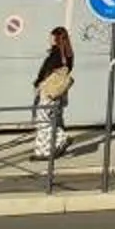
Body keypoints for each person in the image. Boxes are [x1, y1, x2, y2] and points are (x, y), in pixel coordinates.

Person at [30, 28, 73, 162]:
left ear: (56, 38)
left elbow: (45, 72)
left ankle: (59, 140)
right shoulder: (68, 54)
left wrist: (38, 84)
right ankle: (46, 150)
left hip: (49, 91)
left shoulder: (55, 54)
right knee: (54, 119)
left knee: (43, 120)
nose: (49, 39)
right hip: (59, 92)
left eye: (51, 37)